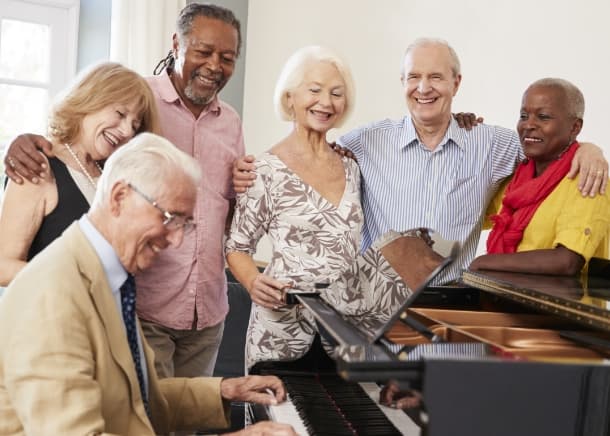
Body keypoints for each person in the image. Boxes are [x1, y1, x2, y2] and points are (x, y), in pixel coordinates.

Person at [233, 37, 608, 286]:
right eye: (414, 77)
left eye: (435, 77)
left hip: (454, 319)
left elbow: (546, 149)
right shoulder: (363, 142)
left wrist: (590, 149)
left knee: (452, 408)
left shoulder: (493, 144)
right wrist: (250, 170)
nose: (424, 88)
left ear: (456, 83)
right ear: (402, 82)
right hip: (375, 319)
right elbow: (310, 152)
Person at [3, 3, 246, 379]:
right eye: (203, 51)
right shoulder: (137, 96)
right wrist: (22, 140)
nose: (128, 129)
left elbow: (227, 206)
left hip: (202, 310)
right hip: (131, 314)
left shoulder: (229, 122)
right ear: (177, 44)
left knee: (181, 413)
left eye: (227, 57)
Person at [0, 133, 296, 436]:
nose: (177, 239)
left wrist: (225, 390)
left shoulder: (111, 280)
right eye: (170, 218)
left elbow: (135, 403)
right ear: (119, 198)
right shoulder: (53, 293)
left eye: (184, 223)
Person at [225, 45, 363, 370]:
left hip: (344, 334)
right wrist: (253, 283)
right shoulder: (263, 170)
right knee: (277, 419)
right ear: (290, 98)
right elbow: (237, 247)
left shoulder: (352, 167)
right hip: (281, 329)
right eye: (314, 90)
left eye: (336, 93)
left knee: (342, 418)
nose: (326, 102)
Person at [0, 61, 159, 286]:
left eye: (134, 126)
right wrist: (73, 278)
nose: (126, 131)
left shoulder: (113, 178)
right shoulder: (38, 166)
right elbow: (3, 267)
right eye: (120, 113)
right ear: (91, 99)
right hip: (51, 317)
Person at [470, 78, 610, 274]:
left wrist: (484, 263)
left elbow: (567, 261)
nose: (529, 124)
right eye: (524, 115)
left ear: (575, 127)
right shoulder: (515, 178)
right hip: (504, 299)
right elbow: (464, 213)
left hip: (560, 303)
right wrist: (458, 130)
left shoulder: (588, 179)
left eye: (543, 117)